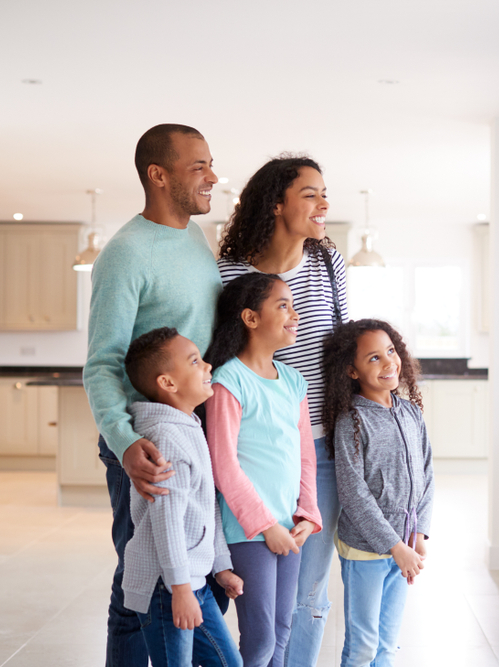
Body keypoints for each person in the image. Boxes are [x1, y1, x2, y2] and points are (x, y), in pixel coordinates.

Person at [83, 123, 222, 667]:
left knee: (185, 567)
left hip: (193, 429)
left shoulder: (193, 236)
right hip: (148, 444)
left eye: (211, 163)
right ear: (157, 175)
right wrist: (123, 443)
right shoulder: (124, 254)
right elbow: (102, 363)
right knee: (138, 579)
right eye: (198, 167)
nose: (212, 176)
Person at [216, 154, 348, 666]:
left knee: (307, 594)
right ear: (276, 204)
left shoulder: (327, 263)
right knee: (253, 601)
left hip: (321, 446)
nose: (323, 204)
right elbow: (226, 354)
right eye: (310, 194)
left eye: (324, 193)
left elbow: (339, 344)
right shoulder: (229, 273)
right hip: (255, 452)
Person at [204, 272, 323, 667]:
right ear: (251, 318)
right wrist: (265, 525)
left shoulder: (294, 381)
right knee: (259, 640)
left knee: (283, 631)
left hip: (290, 527)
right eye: (283, 305)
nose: (295, 313)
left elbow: (306, 457)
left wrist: (308, 514)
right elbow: (224, 466)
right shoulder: (228, 381)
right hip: (250, 531)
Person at [120, 327, 243, 667]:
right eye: (194, 361)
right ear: (168, 383)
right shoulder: (167, 438)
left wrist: (221, 567)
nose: (207, 367)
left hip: (192, 581)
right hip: (167, 586)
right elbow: (167, 522)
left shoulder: (188, 426)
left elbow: (206, 507)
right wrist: (180, 589)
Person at [321, 319, 434, 667]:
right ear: (352, 371)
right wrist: (395, 546)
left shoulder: (411, 413)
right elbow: (354, 494)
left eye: (390, 351)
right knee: (363, 647)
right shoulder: (351, 421)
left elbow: (427, 473)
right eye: (373, 358)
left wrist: (419, 532)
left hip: (404, 547)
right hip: (366, 551)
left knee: (388, 646)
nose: (388, 362)